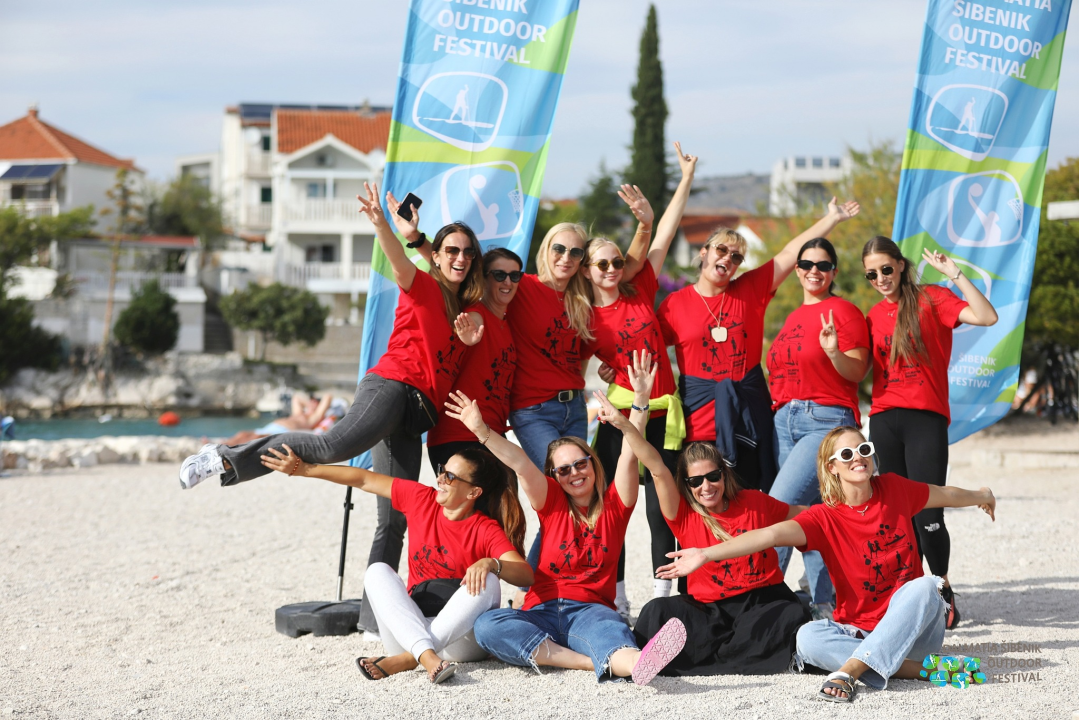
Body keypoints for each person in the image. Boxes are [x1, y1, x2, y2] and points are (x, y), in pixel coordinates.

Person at [179, 181, 486, 633]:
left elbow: (472, 320)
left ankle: (373, 617)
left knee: (395, 516)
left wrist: (470, 335)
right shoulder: (422, 286)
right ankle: (223, 457)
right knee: (332, 446)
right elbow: (401, 260)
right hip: (391, 387)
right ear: (437, 257)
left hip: (417, 413)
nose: (461, 258)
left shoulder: (468, 310)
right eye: (452, 251)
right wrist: (385, 226)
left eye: (467, 253)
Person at [657, 426, 997, 702]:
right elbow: (769, 535)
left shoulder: (895, 489)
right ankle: (925, 669)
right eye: (847, 454)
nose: (858, 458)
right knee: (807, 636)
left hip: (914, 632)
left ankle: (850, 671)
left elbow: (945, 494)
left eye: (863, 450)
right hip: (861, 631)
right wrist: (705, 554)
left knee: (927, 586)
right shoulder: (824, 518)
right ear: (832, 466)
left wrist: (981, 495)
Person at [446, 352, 687, 685]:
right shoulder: (551, 501)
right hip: (541, 611)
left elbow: (631, 452)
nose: (575, 473)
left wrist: (641, 400)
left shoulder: (617, 504)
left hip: (591, 611)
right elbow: (518, 461)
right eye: (564, 469)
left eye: (581, 463)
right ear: (554, 476)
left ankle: (638, 663)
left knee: (613, 635)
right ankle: (588, 663)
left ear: (593, 461)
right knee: (489, 626)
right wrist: (481, 430)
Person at [259, 443, 532, 685]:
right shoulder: (421, 499)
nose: (440, 479)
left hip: (459, 642)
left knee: (491, 580)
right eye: (441, 470)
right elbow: (363, 479)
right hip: (407, 633)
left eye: (450, 476)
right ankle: (422, 656)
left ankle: (411, 658)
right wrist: (304, 469)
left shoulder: (485, 528)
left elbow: (525, 576)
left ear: (473, 492)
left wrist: (490, 563)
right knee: (377, 571)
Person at [657, 197, 859, 492]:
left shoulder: (750, 289)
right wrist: (612, 368)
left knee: (751, 504)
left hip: (748, 419)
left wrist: (832, 218)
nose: (728, 259)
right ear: (704, 252)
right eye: (722, 250)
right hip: (697, 424)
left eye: (736, 257)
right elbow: (647, 347)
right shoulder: (675, 304)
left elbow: (791, 253)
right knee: (703, 507)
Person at [506, 216, 651, 614]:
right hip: (532, 408)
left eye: (574, 252)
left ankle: (555, 590)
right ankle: (530, 595)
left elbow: (629, 265)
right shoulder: (524, 288)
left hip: (573, 407)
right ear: (545, 250)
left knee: (573, 497)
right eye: (559, 249)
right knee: (554, 493)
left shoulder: (580, 298)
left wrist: (644, 224)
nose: (566, 257)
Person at [862, 237, 998, 629]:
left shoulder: (933, 298)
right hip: (884, 418)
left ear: (901, 265)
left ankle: (942, 587)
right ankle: (908, 598)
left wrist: (955, 274)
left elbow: (987, 317)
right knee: (894, 515)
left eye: (886, 269)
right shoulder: (872, 315)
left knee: (928, 512)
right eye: (872, 274)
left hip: (926, 417)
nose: (880, 278)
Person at [586, 142, 696, 601]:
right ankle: (612, 594)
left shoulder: (639, 288)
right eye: (602, 263)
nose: (612, 268)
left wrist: (685, 178)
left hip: (662, 414)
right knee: (612, 508)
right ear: (587, 271)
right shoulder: (583, 315)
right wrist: (598, 382)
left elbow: (664, 234)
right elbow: (569, 364)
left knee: (662, 510)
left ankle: (664, 596)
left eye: (616, 260)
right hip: (619, 417)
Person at [633, 441, 810, 676]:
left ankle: (704, 658)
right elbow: (656, 468)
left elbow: (802, 515)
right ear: (686, 484)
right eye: (695, 481)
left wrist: (844, 509)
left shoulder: (755, 502)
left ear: (724, 474)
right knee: (657, 611)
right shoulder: (683, 513)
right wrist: (625, 423)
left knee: (791, 614)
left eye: (713, 476)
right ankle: (742, 656)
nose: (706, 486)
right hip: (711, 611)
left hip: (763, 603)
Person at [766, 238, 870, 620]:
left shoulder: (844, 311)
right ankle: (823, 602)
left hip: (825, 420)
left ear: (834, 272)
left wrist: (832, 353)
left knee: (778, 507)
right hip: (784, 420)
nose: (814, 271)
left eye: (823, 265)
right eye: (806, 263)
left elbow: (858, 371)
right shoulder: (793, 317)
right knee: (810, 511)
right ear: (796, 270)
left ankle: (759, 597)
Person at [427, 248, 523, 471]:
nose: (507, 281)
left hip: (491, 435)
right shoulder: (475, 317)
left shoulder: (505, 322)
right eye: (499, 275)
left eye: (514, 275)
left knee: (507, 506)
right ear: (483, 278)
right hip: (460, 436)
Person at [222, 393, 335, 446]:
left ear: (319, 405)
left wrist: (314, 408)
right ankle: (222, 446)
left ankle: (226, 448)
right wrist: (309, 405)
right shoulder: (300, 413)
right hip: (273, 426)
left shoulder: (314, 417)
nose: (312, 401)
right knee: (243, 433)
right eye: (311, 400)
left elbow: (328, 396)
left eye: (315, 401)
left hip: (283, 432)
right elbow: (296, 398)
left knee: (255, 437)